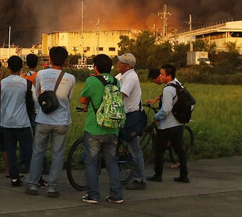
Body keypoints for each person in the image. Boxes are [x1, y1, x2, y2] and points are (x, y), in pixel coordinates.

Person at [25, 46, 75, 196]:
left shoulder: (41, 74)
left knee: (38, 152)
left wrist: (41, 107)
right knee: (58, 155)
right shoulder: (70, 78)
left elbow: (37, 94)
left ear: (50, 59)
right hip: (61, 121)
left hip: (43, 119)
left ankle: (33, 184)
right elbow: (69, 99)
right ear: (65, 61)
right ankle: (52, 187)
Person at [78, 53, 124, 204]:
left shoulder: (91, 80)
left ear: (95, 67)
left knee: (91, 162)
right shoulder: (116, 82)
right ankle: (116, 195)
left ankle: (93, 195)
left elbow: (83, 99)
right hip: (112, 128)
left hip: (94, 128)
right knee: (111, 161)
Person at [147, 64, 191, 184]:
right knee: (180, 150)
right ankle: (184, 175)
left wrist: (156, 117)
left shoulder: (167, 89)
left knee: (159, 149)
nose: (160, 76)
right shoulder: (177, 85)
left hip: (167, 125)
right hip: (178, 124)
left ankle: (158, 174)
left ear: (169, 76)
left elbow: (166, 109)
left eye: (162, 74)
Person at [0, 56, 34, 187]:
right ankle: (32, 176)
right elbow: (32, 103)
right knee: (28, 150)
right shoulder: (26, 83)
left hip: (7, 122)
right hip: (22, 122)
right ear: (22, 67)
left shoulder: (2, 83)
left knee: (10, 151)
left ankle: (14, 178)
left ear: (8, 67)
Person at [116, 52, 147, 190]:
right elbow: (110, 84)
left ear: (128, 66)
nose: (117, 64)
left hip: (131, 116)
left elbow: (120, 95)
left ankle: (139, 179)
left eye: (121, 62)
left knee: (134, 149)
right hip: (123, 115)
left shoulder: (131, 77)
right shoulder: (121, 76)